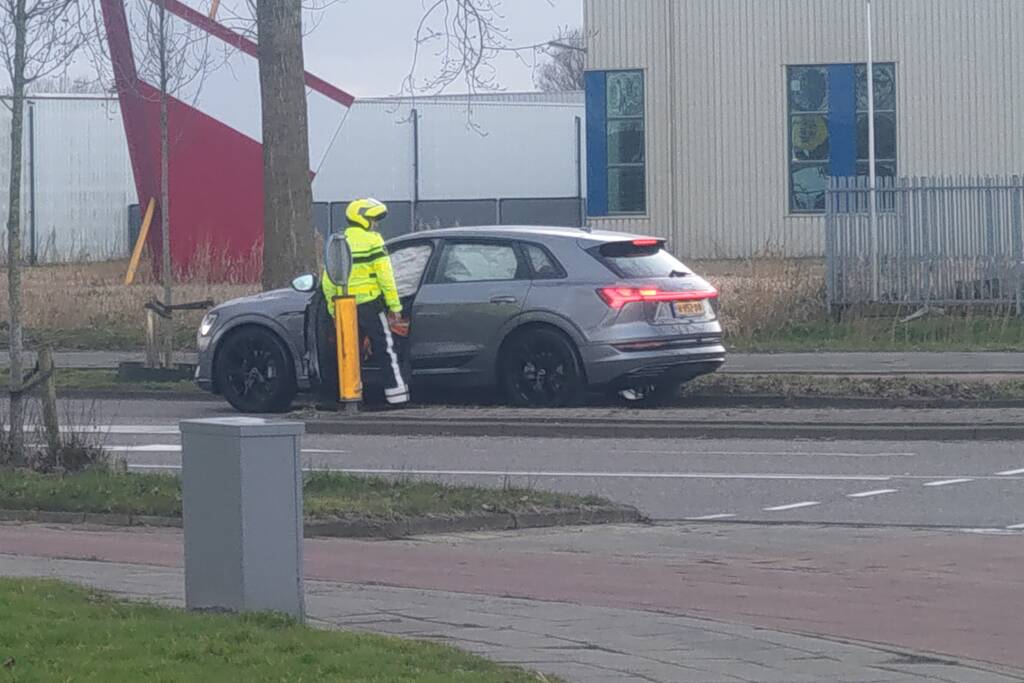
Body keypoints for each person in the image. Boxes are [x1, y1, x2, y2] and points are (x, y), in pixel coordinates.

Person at [318, 198, 411, 406]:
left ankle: (351, 397)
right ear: (362, 219)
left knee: (350, 352)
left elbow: (329, 282)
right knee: (385, 348)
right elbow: (385, 277)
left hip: (346, 307)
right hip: (371, 304)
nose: (376, 223)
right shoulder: (374, 241)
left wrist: (334, 311)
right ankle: (397, 397)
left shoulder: (339, 242)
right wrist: (395, 306)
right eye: (373, 219)